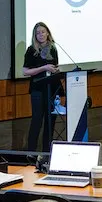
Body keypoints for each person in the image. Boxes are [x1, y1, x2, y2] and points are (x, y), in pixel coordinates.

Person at [21, 22, 61, 154]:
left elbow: (54, 66)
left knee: (50, 123)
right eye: (38, 33)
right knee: (37, 121)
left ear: (48, 33)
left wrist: (56, 70)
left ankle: (47, 153)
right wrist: (44, 68)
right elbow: (25, 71)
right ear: (35, 35)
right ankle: (31, 153)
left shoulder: (53, 48)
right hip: (38, 89)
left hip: (52, 88)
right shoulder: (31, 50)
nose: (41, 35)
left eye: (43, 32)